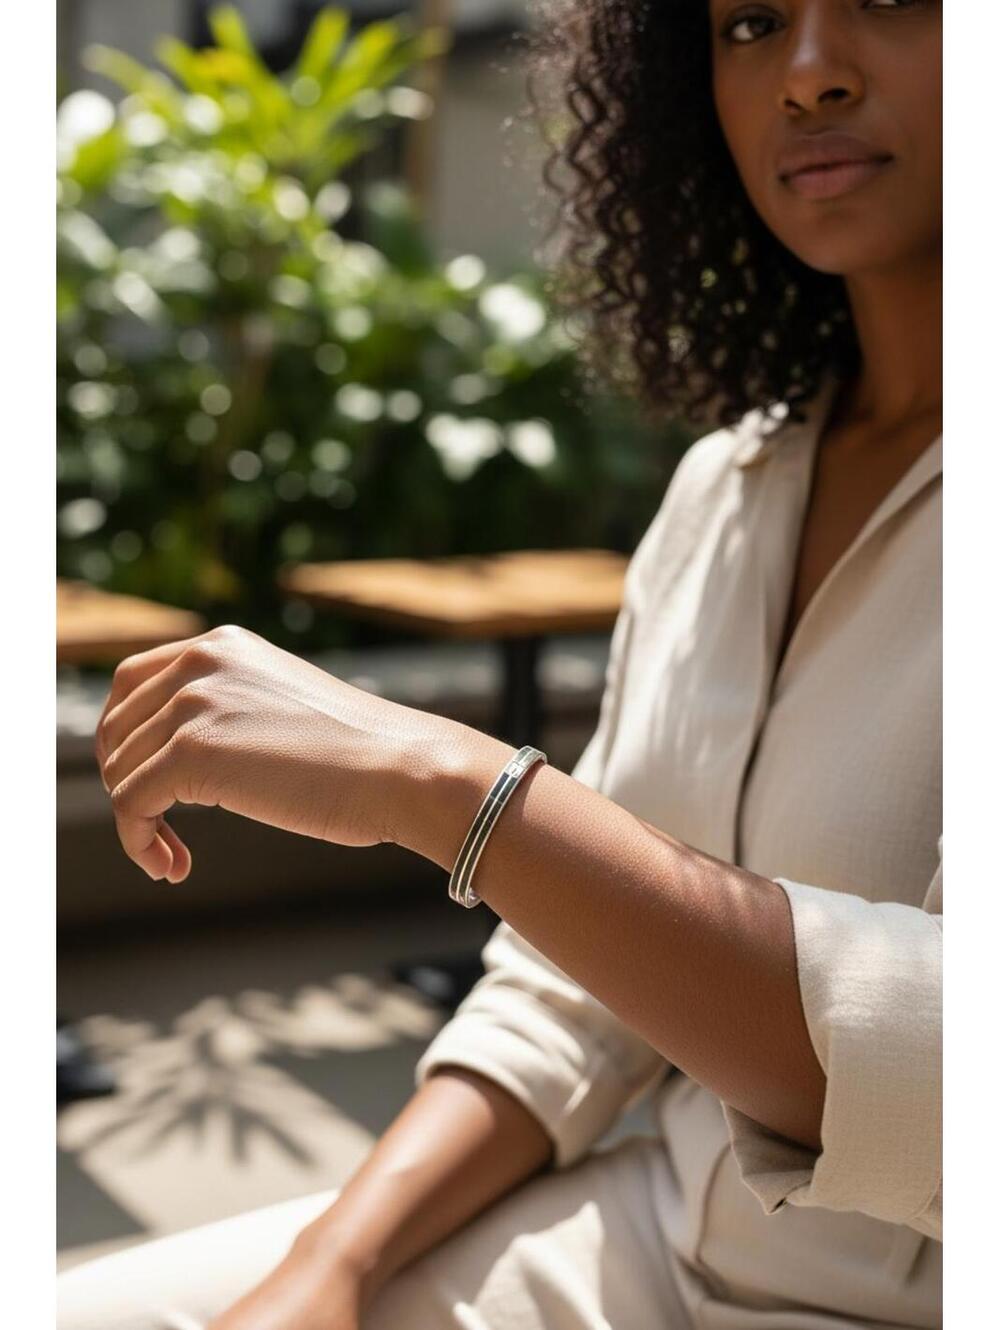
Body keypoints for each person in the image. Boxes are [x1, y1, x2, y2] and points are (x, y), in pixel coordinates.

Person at [58, 0, 943, 1326]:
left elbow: (945, 1070)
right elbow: (575, 992)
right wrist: (332, 1265)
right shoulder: (731, 485)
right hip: (635, 1242)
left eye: (889, 1)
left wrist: (444, 781)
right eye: (750, 22)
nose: (807, 74)